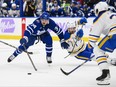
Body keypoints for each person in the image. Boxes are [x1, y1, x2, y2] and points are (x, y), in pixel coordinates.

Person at [88, 1, 116, 85]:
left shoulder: (100, 18)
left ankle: (105, 75)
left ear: (97, 10)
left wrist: (91, 44)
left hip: (114, 35)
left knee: (98, 51)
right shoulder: (112, 14)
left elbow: (93, 39)